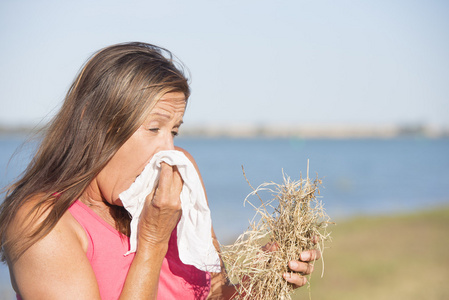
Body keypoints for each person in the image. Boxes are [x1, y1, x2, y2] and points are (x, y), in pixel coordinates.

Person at [0, 42, 320, 299]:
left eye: (174, 130)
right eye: (154, 128)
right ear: (93, 122)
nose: (168, 150)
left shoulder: (179, 181)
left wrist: (264, 279)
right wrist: (153, 240)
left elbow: (217, 294)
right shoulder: (43, 221)